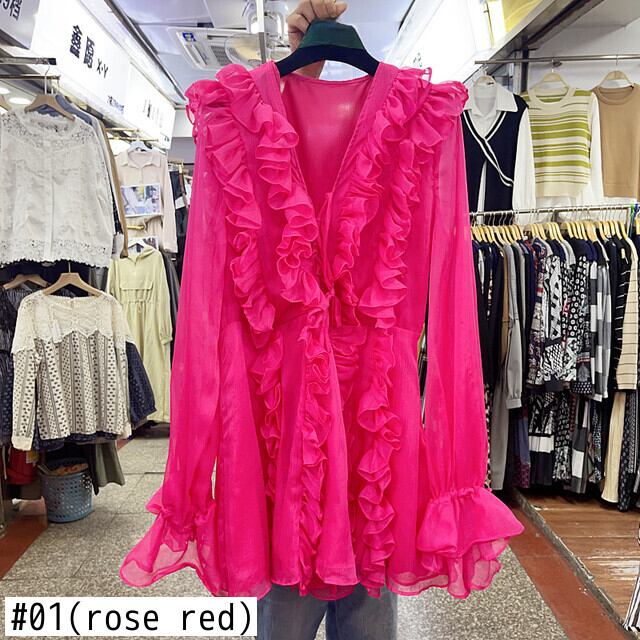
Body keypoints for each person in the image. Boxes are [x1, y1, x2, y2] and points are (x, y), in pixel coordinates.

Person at [257, 2, 398, 639]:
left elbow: (449, 289)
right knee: (307, 584)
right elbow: (209, 312)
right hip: (297, 419)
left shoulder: (415, 120)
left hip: (367, 416)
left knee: (348, 574)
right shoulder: (244, 120)